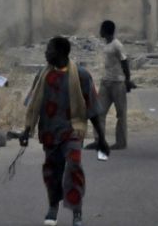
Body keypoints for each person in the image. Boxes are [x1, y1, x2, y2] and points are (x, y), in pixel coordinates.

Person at [19, 36, 110, 226]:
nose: (46, 53)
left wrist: (101, 138)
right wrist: (26, 131)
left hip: (73, 130)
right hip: (49, 132)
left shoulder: (82, 76)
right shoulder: (43, 75)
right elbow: (33, 106)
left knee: (74, 167)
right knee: (53, 173)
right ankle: (53, 206)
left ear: (60, 53)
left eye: (49, 49)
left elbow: (92, 110)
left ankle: (77, 212)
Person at [85, 20, 134, 151]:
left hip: (118, 83)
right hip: (106, 82)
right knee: (99, 112)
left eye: (101, 29)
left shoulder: (117, 45)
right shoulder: (106, 45)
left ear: (106, 31)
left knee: (121, 114)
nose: (99, 31)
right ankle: (98, 140)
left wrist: (127, 80)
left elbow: (125, 63)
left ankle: (121, 142)